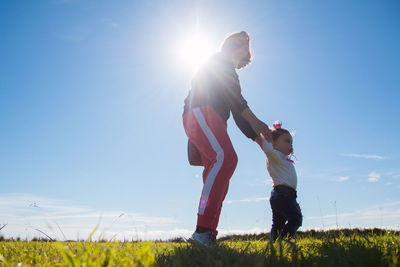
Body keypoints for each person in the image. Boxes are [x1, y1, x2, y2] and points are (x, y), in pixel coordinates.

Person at [182, 31, 272, 247]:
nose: (243, 44)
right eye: (239, 41)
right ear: (228, 44)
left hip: (214, 119)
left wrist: (259, 140)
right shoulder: (218, 61)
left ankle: (208, 234)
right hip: (201, 112)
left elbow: (237, 110)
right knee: (225, 159)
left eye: (247, 43)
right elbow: (236, 99)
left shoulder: (231, 71)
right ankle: (202, 232)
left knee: (219, 171)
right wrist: (257, 122)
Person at [260, 121, 302, 241]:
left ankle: (274, 244)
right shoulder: (275, 157)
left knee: (278, 223)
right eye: (287, 141)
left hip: (284, 195)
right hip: (283, 194)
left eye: (291, 142)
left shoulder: (283, 159)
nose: (290, 145)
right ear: (274, 143)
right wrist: (266, 136)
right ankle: (283, 241)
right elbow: (268, 149)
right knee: (295, 219)